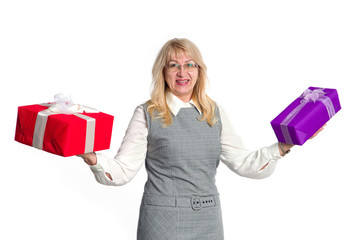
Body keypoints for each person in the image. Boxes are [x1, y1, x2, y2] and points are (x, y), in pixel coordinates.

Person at [79, 38, 324, 240]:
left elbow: (244, 163)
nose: (182, 72)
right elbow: (123, 171)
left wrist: (283, 146)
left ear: (199, 71)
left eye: (190, 65)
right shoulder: (147, 113)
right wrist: (92, 157)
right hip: (162, 222)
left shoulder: (213, 112)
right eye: (173, 65)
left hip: (208, 220)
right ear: (163, 72)